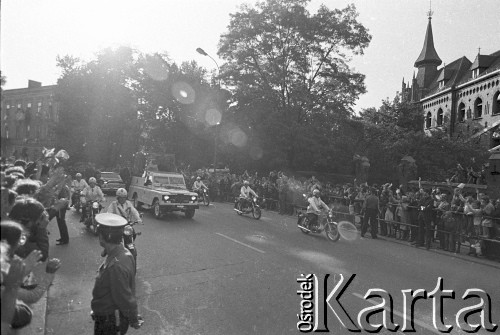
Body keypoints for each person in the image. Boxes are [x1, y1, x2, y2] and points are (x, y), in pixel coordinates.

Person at [91, 213, 143, 335]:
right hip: (108, 315)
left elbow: (125, 297)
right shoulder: (123, 252)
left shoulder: (116, 266)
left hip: (110, 320)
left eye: (99, 234)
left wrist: (133, 319)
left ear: (103, 237)